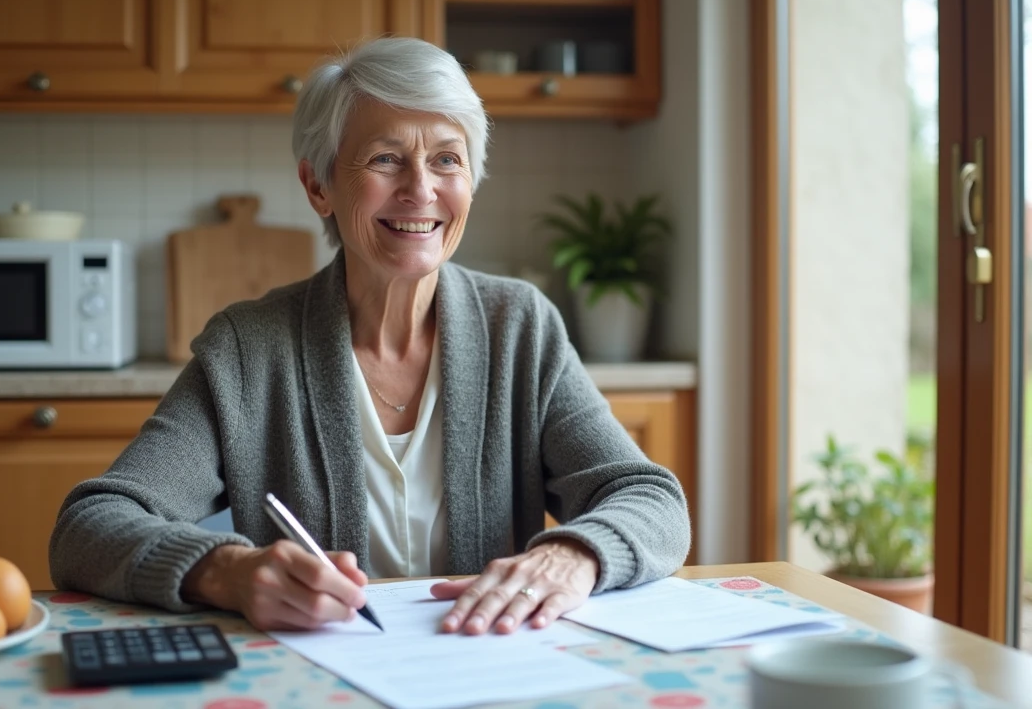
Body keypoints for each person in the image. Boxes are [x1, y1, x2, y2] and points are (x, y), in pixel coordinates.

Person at [49, 36, 690, 635]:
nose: (421, 189)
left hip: (488, 672)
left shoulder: (520, 326)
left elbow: (650, 498)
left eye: (447, 159)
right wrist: (227, 571)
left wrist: (573, 554)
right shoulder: (247, 350)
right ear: (318, 186)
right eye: (385, 159)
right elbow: (89, 525)